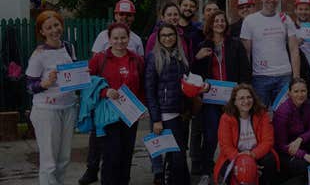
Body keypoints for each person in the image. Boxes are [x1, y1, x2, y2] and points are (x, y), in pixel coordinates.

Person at [192, 10, 252, 185]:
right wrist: (197, 58)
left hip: (233, 99)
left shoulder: (235, 44)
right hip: (211, 99)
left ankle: (234, 169)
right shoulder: (203, 45)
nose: (219, 23)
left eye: (222, 21)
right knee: (210, 136)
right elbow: (194, 75)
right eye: (216, 21)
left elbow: (245, 70)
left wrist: (242, 92)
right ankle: (206, 171)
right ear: (210, 24)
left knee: (235, 136)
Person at [88, 22, 145, 185]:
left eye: (123, 38)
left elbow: (142, 85)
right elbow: (88, 83)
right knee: (111, 155)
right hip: (108, 114)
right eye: (116, 38)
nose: (120, 41)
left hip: (130, 114)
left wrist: (142, 107)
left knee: (126, 154)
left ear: (129, 38)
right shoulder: (100, 59)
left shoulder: (137, 59)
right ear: (109, 39)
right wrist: (105, 92)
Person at [26, 11, 78, 185]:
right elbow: (29, 87)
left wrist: (81, 76)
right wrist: (45, 83)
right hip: (47, 111)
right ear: (42, 32)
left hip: (68, 107)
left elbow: (73, 75)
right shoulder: (39, 54)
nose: (54, 30)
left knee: (64, 158)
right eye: (48, 28)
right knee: (49, 162)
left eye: (56, 25)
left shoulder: (69, 47)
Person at [144, 23, 191, 185]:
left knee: (177, 155)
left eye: (171, 34)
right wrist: (156, 119)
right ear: (158, 38)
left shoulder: (181, 56)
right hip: (165, 114)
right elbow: (150, 91)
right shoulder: (153, 57)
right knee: (177, 157)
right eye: (163, 35)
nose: (167, 38)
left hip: (181, 113)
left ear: (176, 37)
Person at [240, 0, 300, 107]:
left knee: (284, 113)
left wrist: (296, 78)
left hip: (284, 76)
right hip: (260, 77)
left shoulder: (285, 19)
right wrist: (246, 80)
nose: (272, 0)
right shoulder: (249, 21)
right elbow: (246, 53)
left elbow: (294, 50)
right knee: (261, 114)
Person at [214, 84, 278, 185]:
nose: (246, 101)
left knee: (269, 161)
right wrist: (244, 162)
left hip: (256, 153)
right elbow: (225, 145)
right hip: (236, 155)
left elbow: (268, 141)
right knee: (226, 168)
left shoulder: (262, 114)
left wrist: (252, 156)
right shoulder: (226, 118)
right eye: (241, 98)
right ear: (234, 102)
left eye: (249, 97)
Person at [273, 78, 310, 184]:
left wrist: (300, 139)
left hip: (300, 143)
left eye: (303, 91)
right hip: (286, 151)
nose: (300, 94)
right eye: (296, 91)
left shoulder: (306, 104)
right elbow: (280, 145)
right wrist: (303, 155)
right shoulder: (283, 112)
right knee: (303, 165)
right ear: (289, 93)